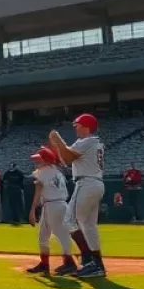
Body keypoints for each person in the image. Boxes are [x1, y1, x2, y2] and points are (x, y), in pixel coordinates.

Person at [48, 113, 107, 279]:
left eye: (78, 125)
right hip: (94, 183)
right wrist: (59, 146)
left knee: (68, 221)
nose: (75, 127)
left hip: (86, 183)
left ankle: (88, 259)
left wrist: (58, 139)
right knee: (88, 226)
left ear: (86, 126)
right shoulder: (92, 142)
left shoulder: (87, 141)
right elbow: (66, 159)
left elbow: (67, 156)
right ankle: (97, 264)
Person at [25, 147, 77, 276]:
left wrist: (32, 211)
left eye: (40, 159)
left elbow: (38, 192)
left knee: (60, 234)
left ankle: (70, 263)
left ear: (47, 160)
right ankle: (44, 264)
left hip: (53, 205)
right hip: (57, 204)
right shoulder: (57, 172)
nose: (37, 162)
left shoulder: (42, 172)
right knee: (44, 235)